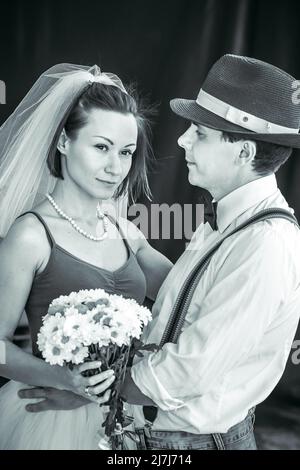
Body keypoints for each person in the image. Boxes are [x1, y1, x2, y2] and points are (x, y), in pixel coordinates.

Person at [25, 54, 300, 451]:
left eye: (199, 133)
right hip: (153, 436)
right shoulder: (226, 219)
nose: (181, 140)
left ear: (243, 153)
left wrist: (93, 391)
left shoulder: (266, 243)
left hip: (195, 444)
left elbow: (189, 370)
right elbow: (180, 312)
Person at [0, 63, 172, 450]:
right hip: (47, 421)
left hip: (124, 415)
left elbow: (187, 293)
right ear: (63, 141)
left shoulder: (123, 228)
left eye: (126, 152)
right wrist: (66, 380)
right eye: (101, 147)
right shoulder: (31, 235)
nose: (116, 168)